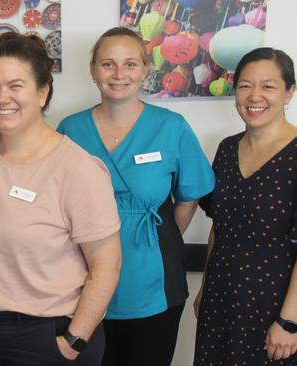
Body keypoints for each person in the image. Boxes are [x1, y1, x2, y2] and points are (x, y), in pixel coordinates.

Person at [0, 32, 122, 366]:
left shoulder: (78, 169)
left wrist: (74, 339)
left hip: (44, 336)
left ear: (43, 92)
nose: (2, 97)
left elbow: (107, 263)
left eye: (16, 85)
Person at [57, 27, 215, 366]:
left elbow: (188, 198)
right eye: (108, 64)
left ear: (146, 69)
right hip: (82, 279)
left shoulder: (172, 127)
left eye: (130, 64)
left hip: (153, 278)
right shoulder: (70, 130)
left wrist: (160, 237)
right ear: (93, 70)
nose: (119, 74)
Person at [194, 47, 297, 365]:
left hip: (276, 307)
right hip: (221, 299)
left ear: (289, 92)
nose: (255, 96)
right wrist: (205, 287)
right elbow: (219, 226)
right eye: (245, 85)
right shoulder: (226, 149)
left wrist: (289, 322)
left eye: (268, 86)